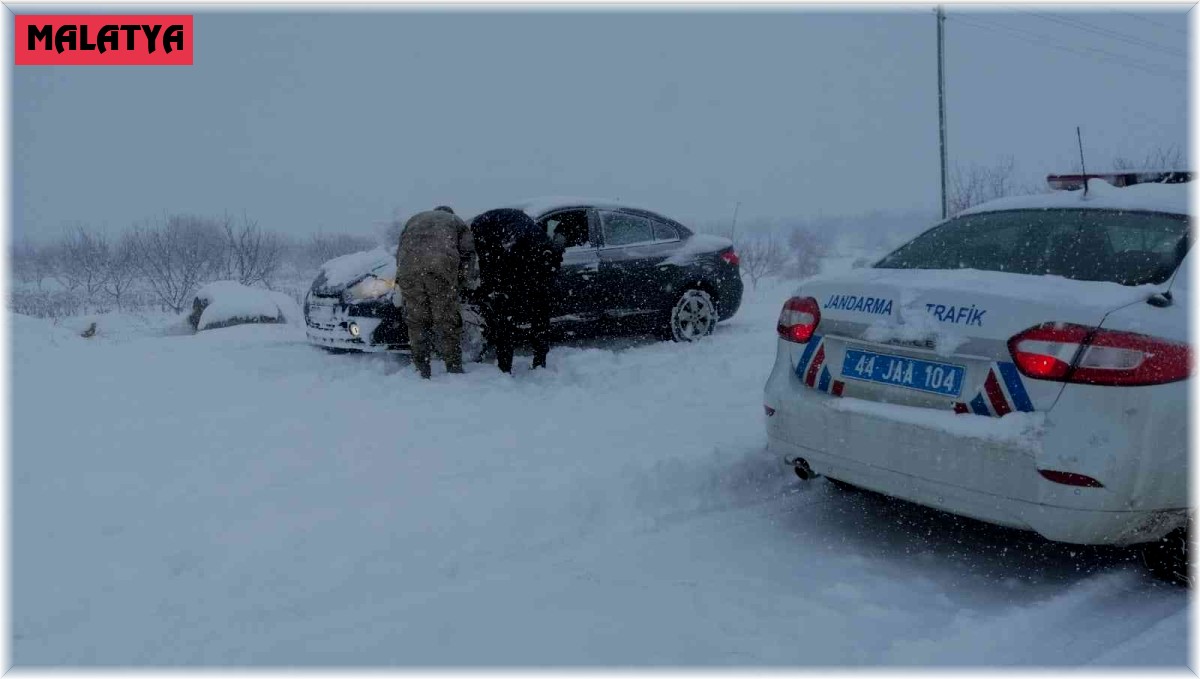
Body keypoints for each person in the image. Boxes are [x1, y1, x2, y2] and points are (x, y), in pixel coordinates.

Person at [470, 208, 565, 373]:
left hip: (516, 276)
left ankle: (504, 368)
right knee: (540, 319)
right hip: (537, 273)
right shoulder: (523, 222)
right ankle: (539, 362)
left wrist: (486, 287)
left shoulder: (480, 226)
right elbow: (553, 259)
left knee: (505, 322)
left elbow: (488, 260)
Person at [395, 205, 475, 379]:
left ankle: (421, 368)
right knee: (447, 321)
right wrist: (460, 282)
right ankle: (453, 368)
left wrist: (404, 274)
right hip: (440, 270)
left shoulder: (415, 218)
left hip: (408, 270)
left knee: (417, 321)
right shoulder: (456, 221)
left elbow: (400, 249)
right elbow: (468, 253)